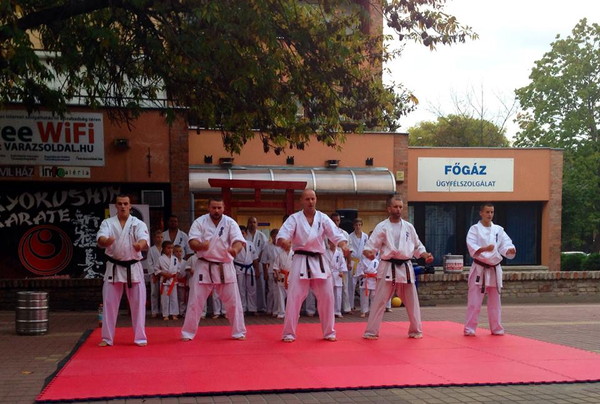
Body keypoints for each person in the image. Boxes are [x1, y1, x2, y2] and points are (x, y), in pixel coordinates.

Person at [276, 189, 349, 342]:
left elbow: (335, 234)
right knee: (294, 297)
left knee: (327, 296)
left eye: (313, 199)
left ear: (316, 200)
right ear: (301, 201)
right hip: (300, 259)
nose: (310, 202)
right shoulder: (294, 218)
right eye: (307, 199)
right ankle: (288, 333)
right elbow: (283, 235)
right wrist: (284, 241)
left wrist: (343, 244)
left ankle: (329, 332)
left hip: (319, 261)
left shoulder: (323, 218)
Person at [362, 195, 433, 340]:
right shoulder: (382, 226)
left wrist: (425, 255)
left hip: (405, 267)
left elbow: (417, 246)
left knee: (412, 301)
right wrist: (369, 253)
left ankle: (415, 330)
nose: (398, 209)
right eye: (395, 207)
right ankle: (371, 331)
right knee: (379, 300)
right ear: (389, 208)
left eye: (400, 207)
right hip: (387, 266)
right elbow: (370, 246)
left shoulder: (409, 227)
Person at [181, 197, 247, 341]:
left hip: (225, 266)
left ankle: (238, 332)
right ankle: (188, 333)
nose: (216, 210)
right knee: (195, 301)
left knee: (234, 302)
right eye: (214, 208)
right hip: (204, 265)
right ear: (208, 208)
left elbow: (238, 241)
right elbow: (192, 242)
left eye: (219, 208)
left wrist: (235, 250)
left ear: (223, 208)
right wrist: (200, 246)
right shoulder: (200, 222)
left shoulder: (230, 222)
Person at [96, 194, 149, 347]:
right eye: (120, 204)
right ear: (116, 206)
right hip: (114, 267)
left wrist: (140, 245)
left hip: (133, 267)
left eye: (126, 203)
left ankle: (140, 338)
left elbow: (143, 238)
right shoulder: (108, 223)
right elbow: (101, 238)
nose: (123, 206)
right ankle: (107, 338)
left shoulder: (138, 223)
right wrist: (106, 241)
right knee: (109, 304)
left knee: (138, 305)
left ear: (130, 206)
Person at [464, 203, 516, 336]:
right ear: (481, 213)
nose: (490, 215)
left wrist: (509, 250)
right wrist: (484, 249)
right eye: (487, 212)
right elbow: (472, 247)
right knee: (474, 301)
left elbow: (505, 244)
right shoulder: (474, 229)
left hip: (494, 268)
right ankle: (470, 329)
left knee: (495, 302)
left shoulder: (498, 230)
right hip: (479, 268)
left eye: (492, 212)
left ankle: (496, 328)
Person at [235, 225, 260, 315]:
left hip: (250, 268)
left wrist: (257, 270)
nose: (242, 235)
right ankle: (242, 309)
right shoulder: (234, 244)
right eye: (240, 233)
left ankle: (253, 308)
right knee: (241, 289)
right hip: (239, 268)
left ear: (246, 234)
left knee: (252, 289)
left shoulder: (250, 244)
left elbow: (255, 258)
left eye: (243, 233)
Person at [246, 217, 269, 312]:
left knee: (261, 286)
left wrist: (257, 257)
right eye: (250, 222)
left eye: (254, 222)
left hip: (259, 263)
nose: (252, 224)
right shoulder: (244, 235)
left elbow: (265, 249)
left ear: (257, 224)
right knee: (247, 287)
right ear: (247, 224)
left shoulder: (262, 235)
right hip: (247, 263)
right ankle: (248, 307)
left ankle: (261, 307)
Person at [348, 217, 368, 313]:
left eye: (360, 225)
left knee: (363, 285)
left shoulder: (365, 236)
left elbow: (367, 248)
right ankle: (351, 306)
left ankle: (364, 307)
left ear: (362, 225)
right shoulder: (350, 236)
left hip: (363, 262)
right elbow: (349, 249)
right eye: (356, 225)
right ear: (354, 226)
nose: (358, 226)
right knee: (351, 285)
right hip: (353, 262)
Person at [157, 240, 179, 320]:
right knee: (164, 298)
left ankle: (174, 314)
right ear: (163, 249)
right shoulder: (160, 259)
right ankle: (165, 314)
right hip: (165, 280)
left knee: (174, 298)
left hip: (173, 280)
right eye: (168, 248)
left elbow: (178, 269)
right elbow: (156, 269)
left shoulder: (175, 259)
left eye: (171, 248)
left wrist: (176, 275)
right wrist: (164, 274)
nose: (170, 250)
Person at [325, 238, 347, 319]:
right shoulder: (325, 253)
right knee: (329, 294)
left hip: (337, 274)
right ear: (328, 243)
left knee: (338, 294)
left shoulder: (339, 253)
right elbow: (323, 264)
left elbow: (342, 263)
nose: (333, 244)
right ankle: (329, 312)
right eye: (331, 242)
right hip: (328, 274)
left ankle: (337, 311)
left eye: (335, 242)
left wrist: (342, 271)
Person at [145, 229, 163, 318]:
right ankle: (154, 311)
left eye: (161, 237)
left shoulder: (165, 249)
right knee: (154, 293)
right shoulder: (151, 250)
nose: (159, 239)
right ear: (154, 238)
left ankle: (164, 310)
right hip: (154, 275)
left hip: (164, 274)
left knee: (163, 293)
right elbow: (149, 263)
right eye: (158, 237)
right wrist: (154, 273)